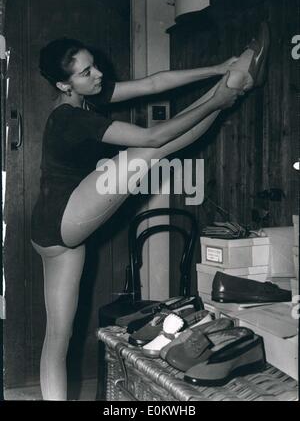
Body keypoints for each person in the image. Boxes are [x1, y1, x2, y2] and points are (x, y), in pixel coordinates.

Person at [31, 28, 268, 400]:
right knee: (147, 150)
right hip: (64, 216)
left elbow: (155, 82)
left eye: (94, 67)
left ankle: (229, 82)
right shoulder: (69, 118)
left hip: (49, 235)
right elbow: (153, 138)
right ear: (64, 85)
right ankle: (230, 89)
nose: (98, 75)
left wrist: (215, 68)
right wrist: (217, 97)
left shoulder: (87, 98)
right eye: (86, 73)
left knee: (59, 337)